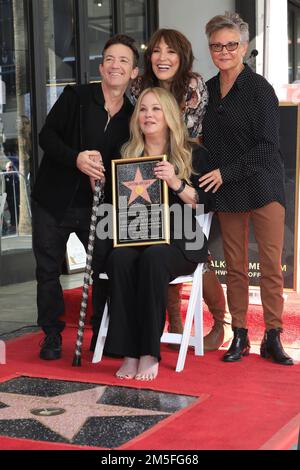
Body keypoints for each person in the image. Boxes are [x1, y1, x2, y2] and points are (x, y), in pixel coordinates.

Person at [31, 34, 139, 360]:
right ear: (102, 65)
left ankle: (100, 332)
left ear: (134, 72)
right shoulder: (76, 97)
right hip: (53, 201)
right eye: (110, 59)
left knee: (103, 269)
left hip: (97, 205)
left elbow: (126, 161)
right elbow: (46, 137)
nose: (115, 65)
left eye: (123, 61)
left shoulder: (133, 116)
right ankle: (51, 335)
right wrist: (76, 158)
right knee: (48, 271)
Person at [200, 12, 293, 365]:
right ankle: (239, 334)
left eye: (231, 44)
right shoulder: (206, 91)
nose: (223, 51)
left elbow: (268, 145)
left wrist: (226, 172)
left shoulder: (259, 89)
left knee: (271, 266)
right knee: (234, 266)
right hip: (228, 191)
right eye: (216, 45)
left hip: (263, 185)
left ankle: (272, 336)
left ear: (243, 46)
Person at [103, 87, 215, 381]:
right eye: (142, 109)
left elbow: (207, 201)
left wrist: (176, 182)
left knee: (154, 258)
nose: (148, 115)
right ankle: (129, 351)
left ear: (169, 116)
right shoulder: (126, 153)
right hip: (138, 236)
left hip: (182, 241)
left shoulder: (192, 153)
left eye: (155, 109)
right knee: (118, 259)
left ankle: (150, 351)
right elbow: (114, 204)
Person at [130, 28, 232, 350]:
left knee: (184, 237)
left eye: (170, 51)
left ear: (182, 56)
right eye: (157, 51)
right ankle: (173, 322)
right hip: (144, 175)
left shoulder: (193, 85)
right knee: (152, 243)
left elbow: (189, 138)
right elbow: (136, 125)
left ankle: (220, 319)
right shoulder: (138, 86)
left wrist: (179, 179)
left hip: (183, 166)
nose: (162, 58)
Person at [4, 160, 19, 233]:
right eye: (9, 167)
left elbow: (18, 188)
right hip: (7, 199)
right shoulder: (4, 177)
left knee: (15, 212)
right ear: (6, 168)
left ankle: (14, 227)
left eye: (12, 167)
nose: (11, 168)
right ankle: (7, 227)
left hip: (14, 198)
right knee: (7, 214)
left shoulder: (15, 177)